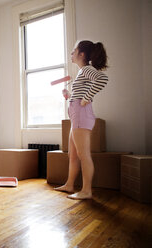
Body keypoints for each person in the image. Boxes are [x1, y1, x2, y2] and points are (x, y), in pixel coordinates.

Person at [54, 40, 109, 200]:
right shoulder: (81, 72)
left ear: (81, 54)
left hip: (81, 115)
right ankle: (70, 184)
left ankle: (86, 191)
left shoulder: (86, 69)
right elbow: (78, 97)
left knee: (83, 154)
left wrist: (87, 97)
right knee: (73, 154)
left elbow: (102, 79)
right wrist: (68, 96)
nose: (71, 54)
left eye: (74, 51)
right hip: (76, 115)